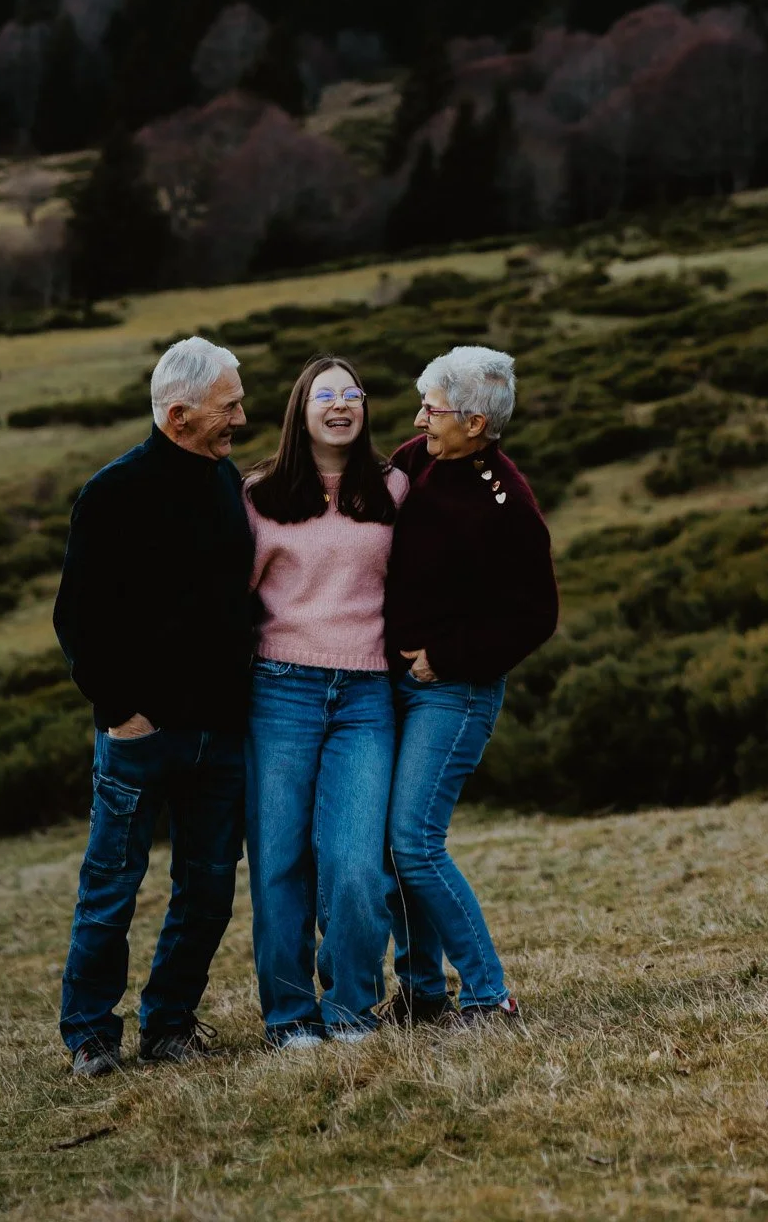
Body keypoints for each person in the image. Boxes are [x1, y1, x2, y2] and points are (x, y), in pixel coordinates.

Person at [53, 335, 253, 1075]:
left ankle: (168, 1024)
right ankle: (91, 1036)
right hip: (140, 734)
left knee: (205, 891)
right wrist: (120, 711)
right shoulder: (113, 493)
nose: (239, 416)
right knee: (111, 888)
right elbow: (77, 618)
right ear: (177, 415)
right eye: (227, 405)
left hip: (223, 734)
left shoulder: (228, 483)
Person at [382, 344, 558, 1029]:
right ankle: (423, 994)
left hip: (453, 694)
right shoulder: (414, 458)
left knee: (414, 840)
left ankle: (490, 997)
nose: (419, 415)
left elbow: (535, 616)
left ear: (476, 424)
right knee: (388, 853)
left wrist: (446, 657)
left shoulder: (507, 503)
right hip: (388, 683)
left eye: (433, 407)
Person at [243, 356, 409, 1047]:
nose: (339, 406)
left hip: (366, 695)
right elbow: (232, 598)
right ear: (300, 410)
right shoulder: (259, 494)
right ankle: (288, 1020)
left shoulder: (394, 489)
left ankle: (349, 1009)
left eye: (352, 395)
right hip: (279, 691)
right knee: (279, 862)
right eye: (324, 396)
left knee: (353, 865)